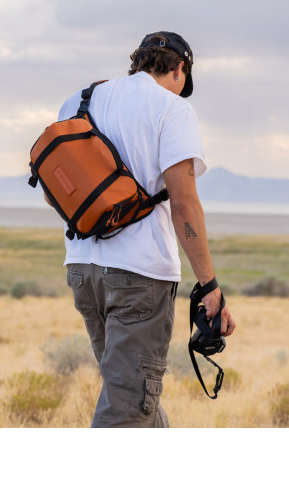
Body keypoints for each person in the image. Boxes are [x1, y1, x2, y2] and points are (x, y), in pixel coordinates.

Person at [55, 31, 236, 428]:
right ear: (180, 69)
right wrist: (209, 285)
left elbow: (59, 188)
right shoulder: (172, 109)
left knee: (132, 396)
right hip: (140, 276)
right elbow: (184, 204)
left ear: (137, 62)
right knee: (129, 408)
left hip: (82, 270)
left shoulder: (79, 101)